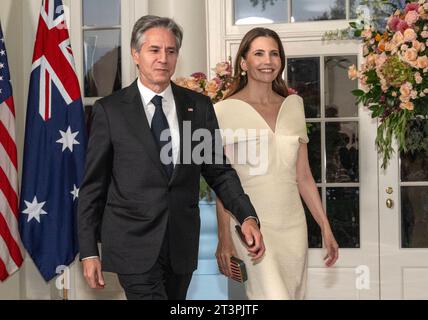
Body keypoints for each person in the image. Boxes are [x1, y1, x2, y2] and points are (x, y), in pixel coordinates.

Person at [77, 15, 265, 300]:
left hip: (181, 245)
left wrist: (247, 216)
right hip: (132, 245)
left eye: (171, 51)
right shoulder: (110, 111)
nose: (163, 58)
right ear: (136, 54)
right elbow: (93, 187)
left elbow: (218, 171)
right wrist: (89, 250)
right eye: (154, 50)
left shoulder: (198, 107)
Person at [214, 27, 339, 300]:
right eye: (258, 53)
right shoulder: (223, 110)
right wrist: (224, 237)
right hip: (251, 225)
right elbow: (223, 181)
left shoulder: (294, 105)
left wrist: (325, 226)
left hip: (293, 226)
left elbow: (303, 176)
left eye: (274, 54)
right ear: (244, 62)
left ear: (281, 61)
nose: (267, 60)